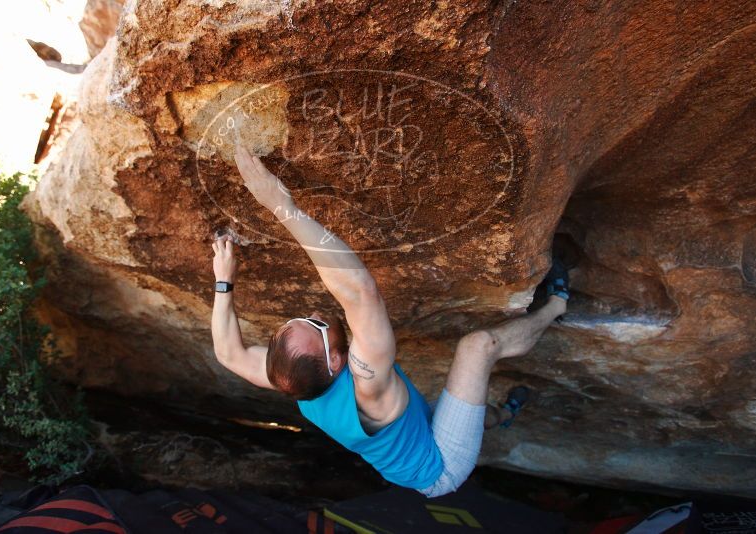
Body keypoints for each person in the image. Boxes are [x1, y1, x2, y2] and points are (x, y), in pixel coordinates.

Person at [210, 144, 569, 498]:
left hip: (410, 436)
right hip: (439, 468)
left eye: (300, 318)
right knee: (477, 348)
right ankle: (557, 305)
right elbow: (361, 292)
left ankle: (503, 415)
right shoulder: (369, 390)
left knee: (457, 413)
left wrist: (224, 280)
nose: (315, 313)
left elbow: (229, 353)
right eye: (315, 325)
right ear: (335, 362)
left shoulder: (295, 380)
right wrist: (281, 207)